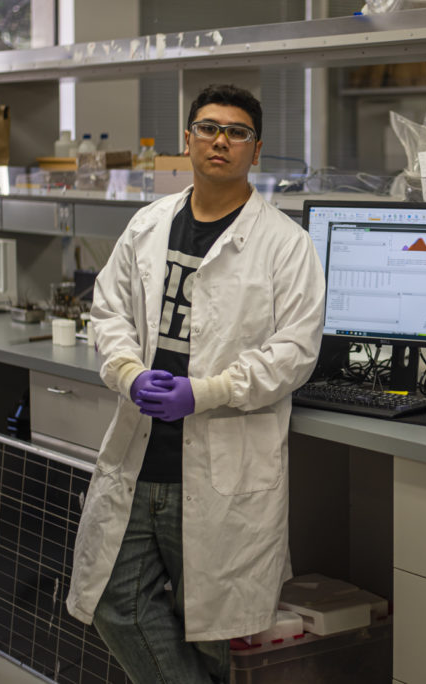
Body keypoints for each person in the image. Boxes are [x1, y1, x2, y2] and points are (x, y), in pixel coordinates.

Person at [65, 84, 326, 683]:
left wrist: (202, 392)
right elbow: (108, 312)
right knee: (114, 599)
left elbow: (294, 352)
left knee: (212, 634)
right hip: (142, 456)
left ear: (254, 151)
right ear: (188, 138)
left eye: (236, 133)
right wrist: (128, 372)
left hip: (221, 465)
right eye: (208, 128)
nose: (220, 141)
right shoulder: (148, 226)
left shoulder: (286, 245)